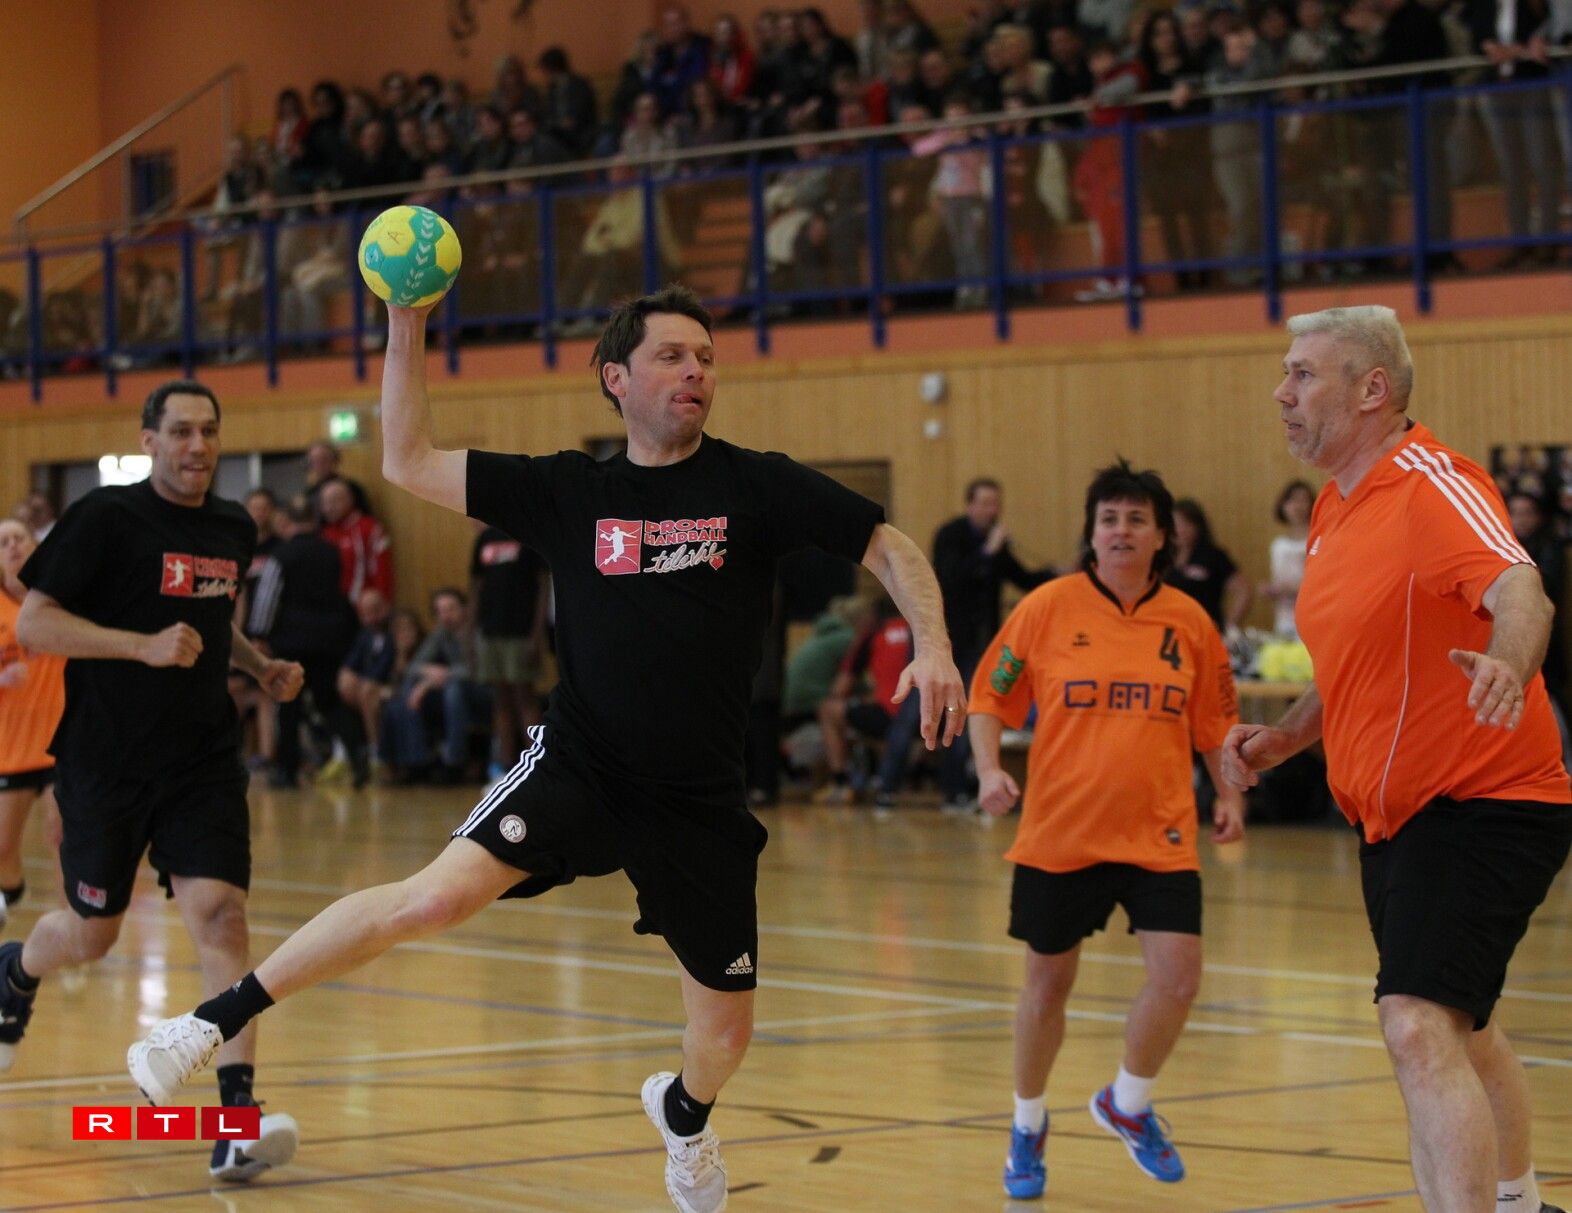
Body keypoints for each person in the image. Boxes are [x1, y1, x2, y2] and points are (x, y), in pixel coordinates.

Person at [125, 286, 965, 1213]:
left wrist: (932, 643)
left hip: (700, 800)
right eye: (674, 356)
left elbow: (886, 543)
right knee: (432, 897)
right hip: (582, 764)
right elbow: (405, 458)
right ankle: (205, 1025)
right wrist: (407, 323)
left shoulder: (753, 484)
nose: (696, 372)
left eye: (706, 358)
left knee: (723, 1037)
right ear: (618, 377)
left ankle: (683, 1115)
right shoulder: (574, 490)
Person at [1223, 306, 1572, 1213]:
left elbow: (1519, 587)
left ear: (1373, 388)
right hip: (1395, 819)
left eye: (1303, 374)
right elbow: (1357, 664)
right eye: (1284, 372)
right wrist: (1289, 736)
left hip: (1490, 796)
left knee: (1416, 1025)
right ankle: (1523, 1204)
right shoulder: (1337, 506)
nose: (1281, 391)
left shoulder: (1431, 482)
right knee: (1465, 1028)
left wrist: (1510, 659)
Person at [0, 380, 305, 1184]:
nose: (197, 446)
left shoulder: (232, 526)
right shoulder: (106, 518)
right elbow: (33, 623)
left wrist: (258, 663)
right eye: (180, 432)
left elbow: (212, 615)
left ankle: (237, 1122)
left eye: (209, 431)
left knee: (221, 915)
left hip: (201, 758)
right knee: (90, 934)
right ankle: (16, 967)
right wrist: (137, 646)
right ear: (149, 440)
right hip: (104, 762)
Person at [968, 459, 1244, 1201]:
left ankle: (1128, 1100)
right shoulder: (1048, 607)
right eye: (1108, 519)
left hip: (1159, 835)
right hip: (1060, 834)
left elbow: (1217, 724)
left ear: (1164, 537)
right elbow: (988, 696)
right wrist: (990, 769)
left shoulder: (1189, 622)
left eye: (1135, 520)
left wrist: (1232, 796)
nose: (1120, 531)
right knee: (1045, 986)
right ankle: (1027, 1123)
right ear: (1091, 534)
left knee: (1179, 978)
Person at [932, 478, 1054, 811]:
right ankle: (911, 788)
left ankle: (962, 789)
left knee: (971, 711)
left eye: (996, 504)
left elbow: (1023, 578)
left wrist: (1061, 575)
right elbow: (951, 579)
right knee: (933, 715)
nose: (992, 510)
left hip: (984, 643)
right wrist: (988, 552)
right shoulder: (952, 536)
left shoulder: (994, 542)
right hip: (951, 641)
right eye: (985, 503)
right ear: (969, 504)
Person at [248, 498, 366, 789]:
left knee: (288, 706)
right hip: (330, 638)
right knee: (330, 702)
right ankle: (359, 758)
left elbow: (267, 597)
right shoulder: (331, 551)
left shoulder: (281, 554)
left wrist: (258, 634)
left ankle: (287, 772)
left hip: (291, 640)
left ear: (285, 522)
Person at [0, 518, 66, 929]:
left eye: (18, 538)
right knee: (4, 850)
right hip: (11, 749)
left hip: (62, 743)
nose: (11, 547)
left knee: (64, 836)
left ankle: (70, 923)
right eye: (2, 542)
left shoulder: (57, 601)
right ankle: (9, 897)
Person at [470, 519, 550, 782]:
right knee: (500, 699)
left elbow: (542, 586)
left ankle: (538, 765)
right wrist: (471, 632)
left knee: (525, 697)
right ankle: (504, 767)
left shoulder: (529, 534)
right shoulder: (485, 538)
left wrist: (537, 635)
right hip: (491, 631)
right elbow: (476, 586)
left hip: (521, 632)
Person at [1166, 497, 1251, 634]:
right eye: (1175, 524)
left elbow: (1243, 591)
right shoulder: (1164, 558)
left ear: (1198, 526)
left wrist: (1230, 625)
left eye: (1186, 524)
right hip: (1171, 629)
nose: (1180, 530)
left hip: (1207, 629)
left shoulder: (1213, 556)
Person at [1262, 479, 1315, 637]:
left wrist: (1291, 589)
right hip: (1284, 620)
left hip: (1313, 617)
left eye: (1303, 500)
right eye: (1292, 500)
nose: (1297, 506)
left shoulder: (1318, 541)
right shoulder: (1278, 545)